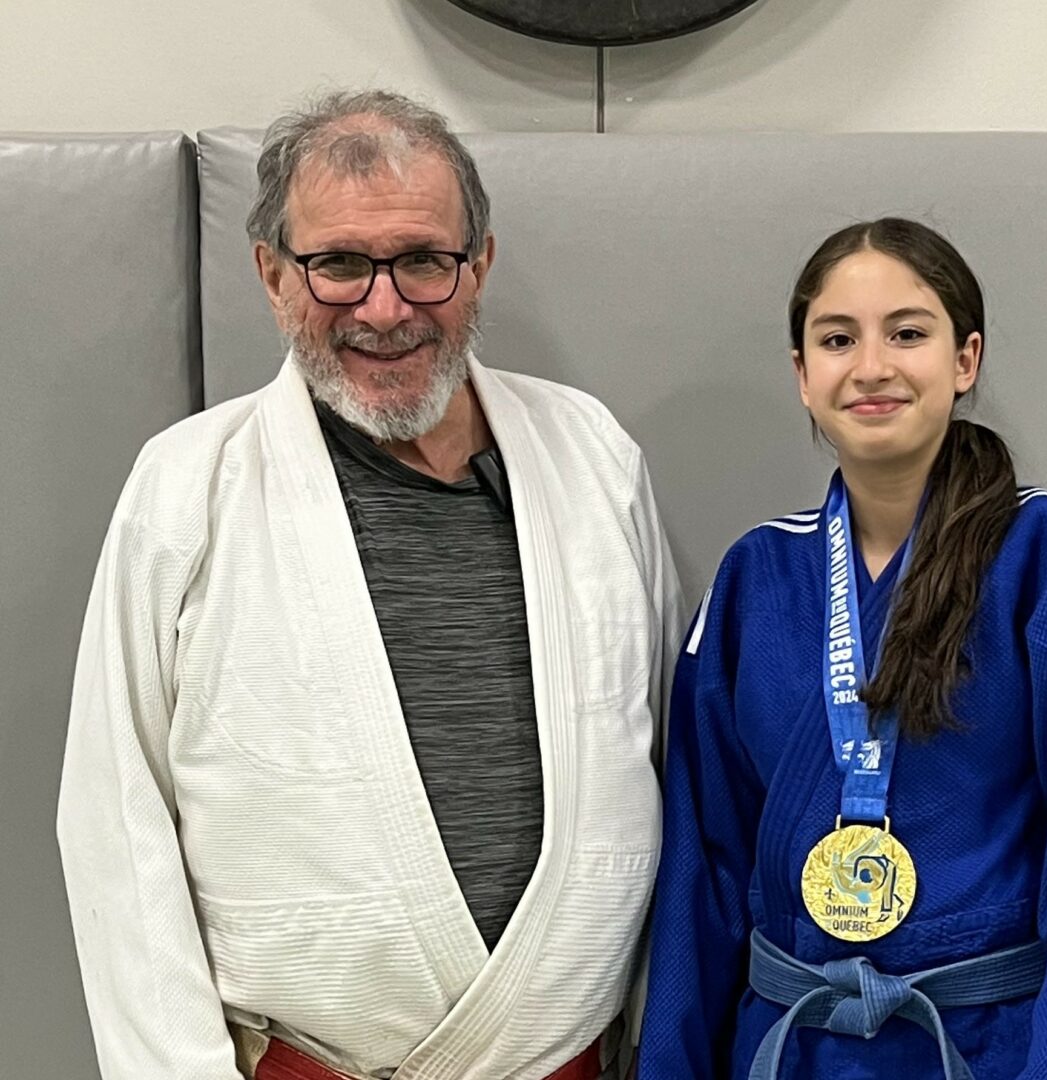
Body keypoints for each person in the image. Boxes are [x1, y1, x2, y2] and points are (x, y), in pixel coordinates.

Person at [57, 89, 682, 1080]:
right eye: (340, 263)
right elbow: (113, 822)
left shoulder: (594, 458)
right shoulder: (188, 488)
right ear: (272, 274)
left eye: (423, 260)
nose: (384, 308)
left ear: (478, 265)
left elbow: (659, 763)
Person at [637, 217, 1047, 1079]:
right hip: (783, 1050)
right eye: (837, 338)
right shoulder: (753, 579)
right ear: (802, 377)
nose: (873, 365)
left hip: (980, 1049)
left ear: (964, 360)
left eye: (908, 333)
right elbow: (701, 876)